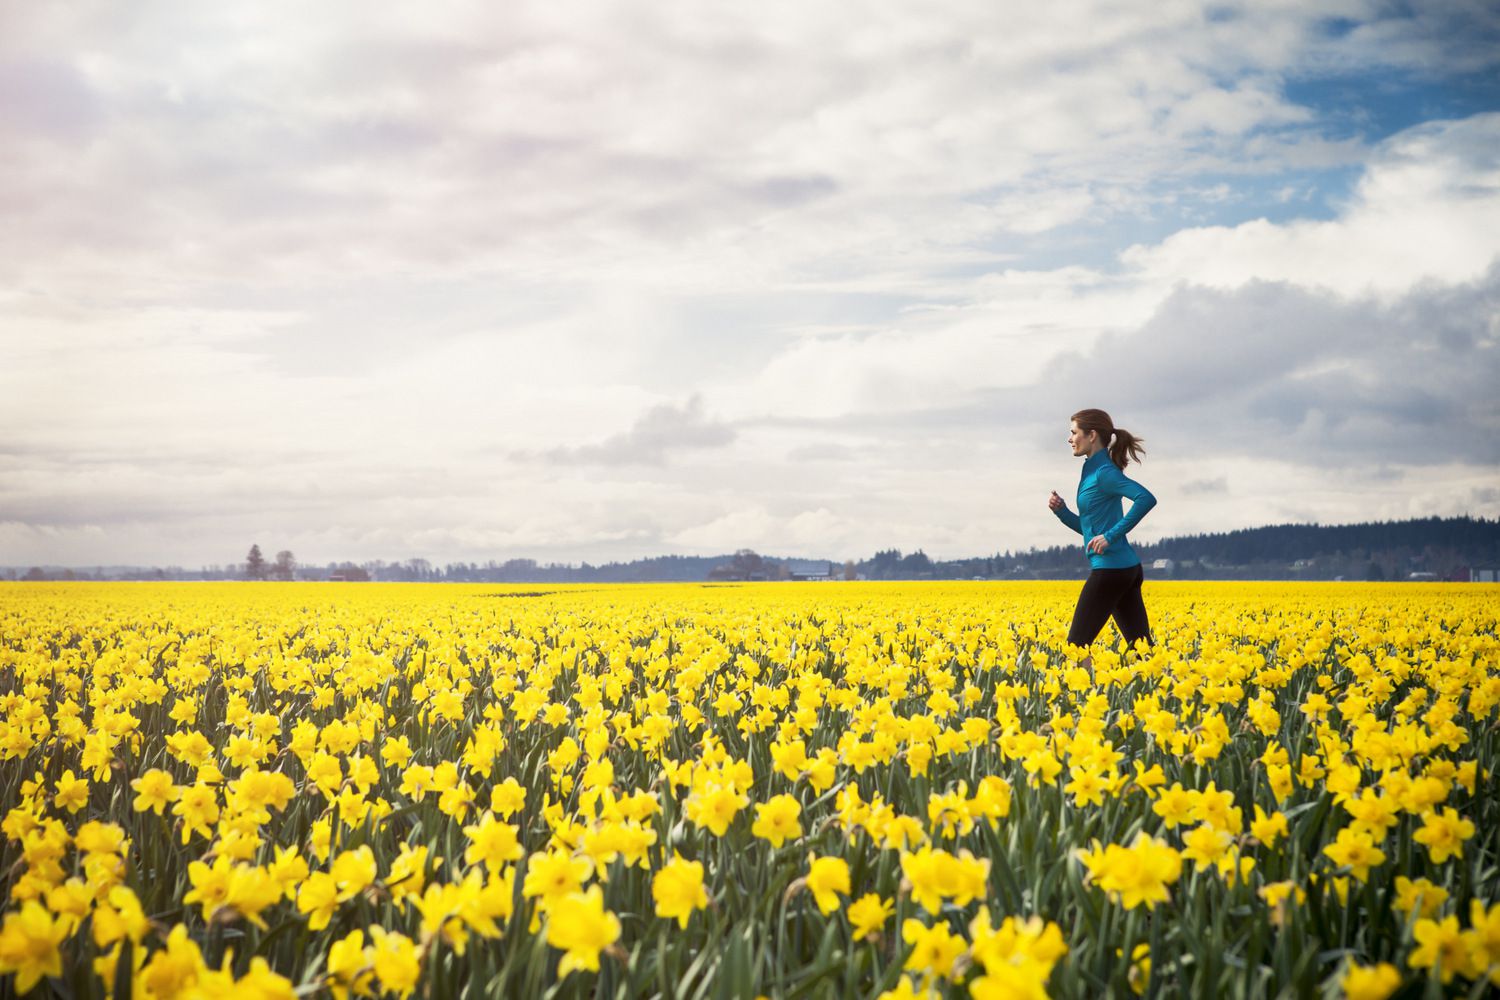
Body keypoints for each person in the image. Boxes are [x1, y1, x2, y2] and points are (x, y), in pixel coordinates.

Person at [1047, 408, 1157, 657]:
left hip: (1111, 572)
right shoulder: (1091, 470)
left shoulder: (1104, 473)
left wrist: (1111, 536)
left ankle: (1079, 695)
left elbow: (1145, 498)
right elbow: (1090, 533)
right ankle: (1176, 693)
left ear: (1092, 435)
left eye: (1074, 432)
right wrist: (1062, 512)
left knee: (1076, 648)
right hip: (1125, 569)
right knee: (1143, 651)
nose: (1069, 438)